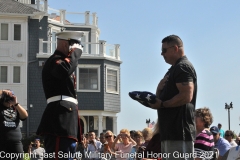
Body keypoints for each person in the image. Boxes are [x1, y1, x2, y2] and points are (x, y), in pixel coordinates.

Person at [148, 35, 197, 160]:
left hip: (179, 133)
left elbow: (186, 96)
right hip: (170, 133)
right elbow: (160, 100)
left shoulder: (183, 67)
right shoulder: (173, 69)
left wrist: (163, 104)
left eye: (164, 50)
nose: (161, 54)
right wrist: (159, 90)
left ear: (175, 48)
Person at [36, 31, 84, 160]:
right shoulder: (55, 60)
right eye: (74, 45)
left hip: (66, 117)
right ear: (65, 43)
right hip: (59, 118)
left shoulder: (63, 62)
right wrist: (76, 53)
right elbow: (64, 70)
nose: (77, 48)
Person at [0, 89, 28, 160]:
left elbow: (24, 116)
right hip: (2, 142)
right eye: (7, 97)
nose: (9, 100)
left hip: (16, 142)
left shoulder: (16, 107)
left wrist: (16, 104)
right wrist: (3, 91)